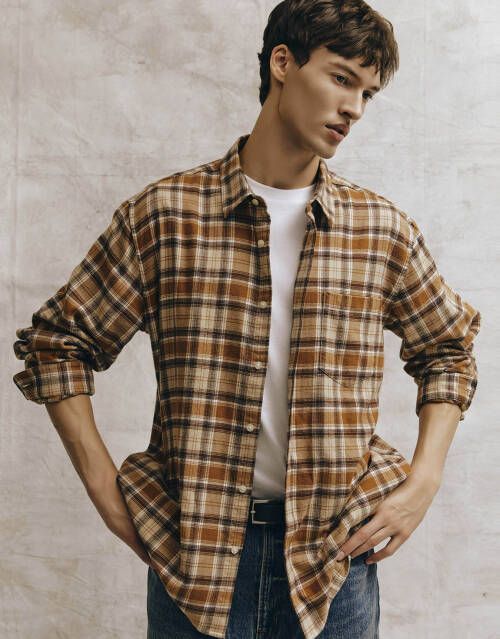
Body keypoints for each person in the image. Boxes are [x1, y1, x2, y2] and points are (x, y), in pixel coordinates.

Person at [12, 1, 481, 638]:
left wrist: (424, 481)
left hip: (334, 566)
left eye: (367, 93)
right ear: (282, 63)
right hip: (196, 564)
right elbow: (57, 344)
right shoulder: (167, 215)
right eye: (341, 78)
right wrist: (102, 488)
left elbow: (447, 350)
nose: (354, 109)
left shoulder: (380, 229)